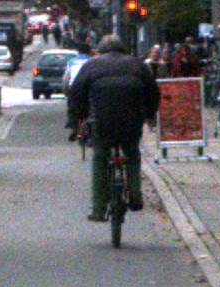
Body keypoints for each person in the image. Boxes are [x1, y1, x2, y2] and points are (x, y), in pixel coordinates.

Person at [67, 35, 159, 222]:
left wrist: (77, 119)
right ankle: (135, 194)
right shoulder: (137, 64)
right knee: (132, 153)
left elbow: (76, 94)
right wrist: (148, 115)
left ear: (101, 49)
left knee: (100, 157)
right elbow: (153, 92)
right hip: (132, 120)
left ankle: (99, 209)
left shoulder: (91, 65)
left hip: (102, 121)